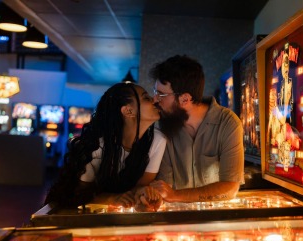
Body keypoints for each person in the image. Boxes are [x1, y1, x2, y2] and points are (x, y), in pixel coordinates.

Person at [45, 82, 166, 210]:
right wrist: (112, 198)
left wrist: (144, 194)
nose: (155, 100)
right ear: (128, 111)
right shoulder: (97, 145)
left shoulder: (158, 140)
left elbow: (141, 186)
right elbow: (78, 194)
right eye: (146, 98)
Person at [149, 55, 244, 202]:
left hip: (217, 219)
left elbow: (230, 188)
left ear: (185, 99)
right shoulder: (164, 126)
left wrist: (175, 195)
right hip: (179, 219)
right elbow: (163, 186)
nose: (155, 99)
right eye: (155, 92)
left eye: (161, 94)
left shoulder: (227, 123)